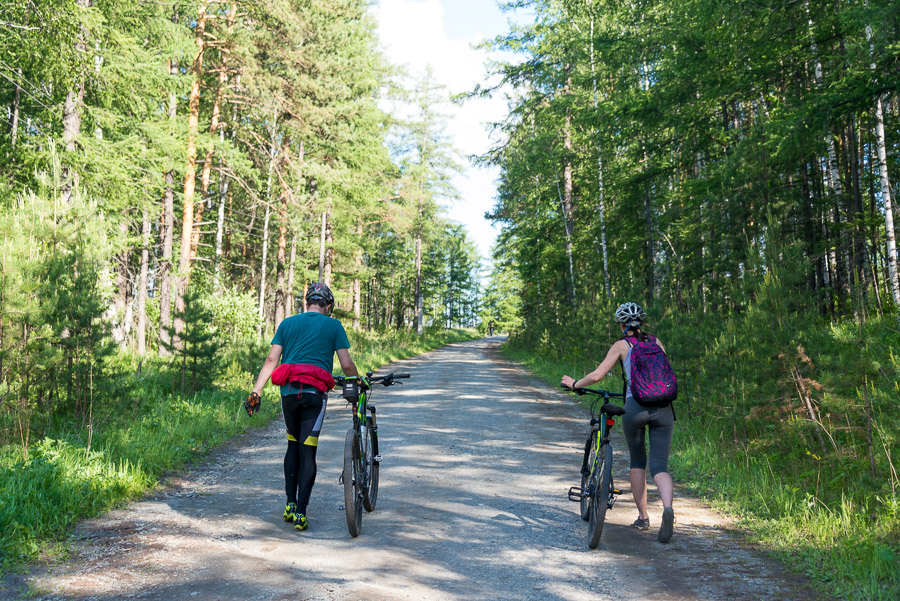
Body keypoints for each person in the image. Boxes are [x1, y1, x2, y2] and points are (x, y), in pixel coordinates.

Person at [247, 282, 360, 531]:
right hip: (314, 395)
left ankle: (289, 503)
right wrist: (357, 380)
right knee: (307, 450)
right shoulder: (333, 325)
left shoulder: (287, 323)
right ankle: (301, 512)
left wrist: (256, 392)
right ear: (328, 306)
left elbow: (271, 359)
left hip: (288, 393)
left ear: (306, 302)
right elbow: (346, 364)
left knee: (292, 445)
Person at [560, 302, 676, 543]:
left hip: (636, 408)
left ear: (622, 325)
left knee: (638, 461)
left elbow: (596, 375)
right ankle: (667, 508)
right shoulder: (657, 343)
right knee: (659, 466)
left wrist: (574, 384)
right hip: (664, 409)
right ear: (643, 323)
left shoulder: (622, 345)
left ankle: (643, 518)